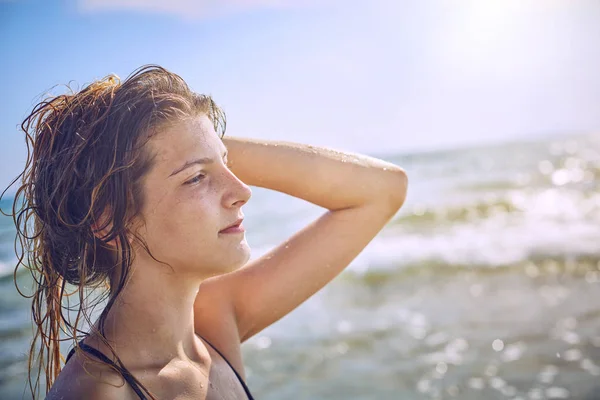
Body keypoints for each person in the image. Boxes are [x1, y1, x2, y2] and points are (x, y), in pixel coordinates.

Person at [6, 65, 408, 399]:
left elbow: (382, 191)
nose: (243, 191)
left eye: (228, 164)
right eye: (197, 179)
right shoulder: (99, 393)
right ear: (108, 219)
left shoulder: (214, 322)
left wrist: (192, 139)